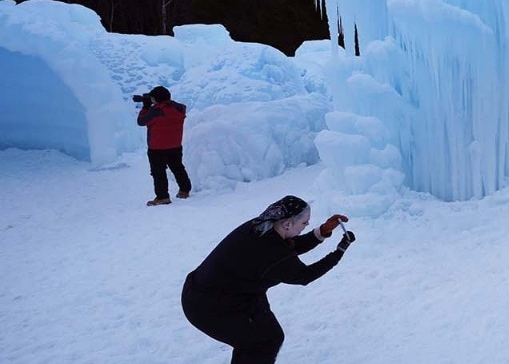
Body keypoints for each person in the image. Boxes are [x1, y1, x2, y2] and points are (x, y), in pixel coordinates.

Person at [181, 195, 356, 363]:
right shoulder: (270, 249)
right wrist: (339, 252)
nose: (307, 224)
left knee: (269, 337)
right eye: (304, 222)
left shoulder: (263, 227)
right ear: (287, 224)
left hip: (236, 293)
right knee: (262, 343)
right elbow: (304, 275)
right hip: (207, 306)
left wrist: (322, 231)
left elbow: (288, 249)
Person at [137, 85, 192, 206]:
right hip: (175, 146)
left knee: (158, 172)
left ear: (156, 99)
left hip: (157, 148)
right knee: (178, 168)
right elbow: (169, 106)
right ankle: (185, 190)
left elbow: (141, 121)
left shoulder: (156, 111)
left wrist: (146, 107)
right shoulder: (179, 108)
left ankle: (162, 197)